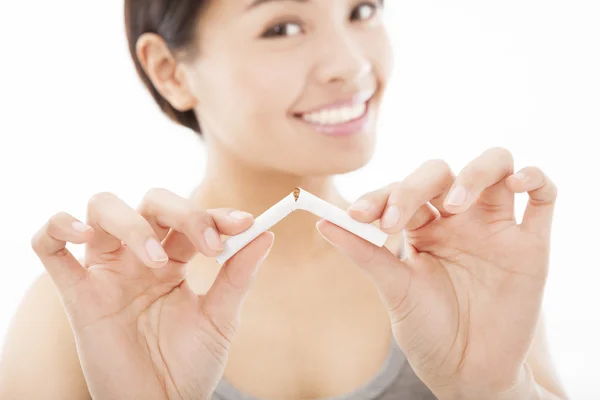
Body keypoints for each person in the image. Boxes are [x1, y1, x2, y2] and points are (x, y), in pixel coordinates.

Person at [0, 0, 570, 399]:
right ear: (170, 71)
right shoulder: (83, 308)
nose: (352, 65)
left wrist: (495, 394)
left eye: (362, 10)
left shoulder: (456, 276)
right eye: (283, 27)